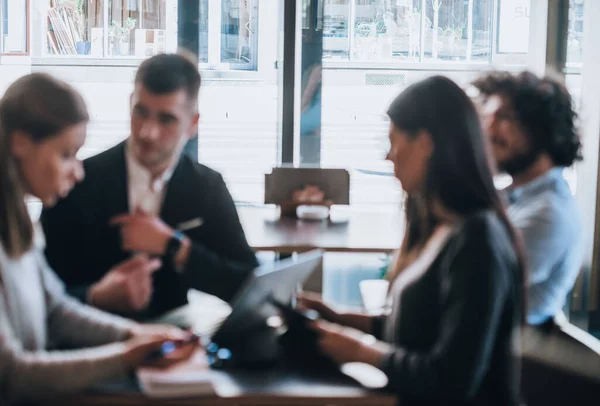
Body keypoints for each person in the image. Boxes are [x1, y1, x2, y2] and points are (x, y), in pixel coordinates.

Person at [300, 76, 526, 406]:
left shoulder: (477, 242)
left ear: (425, 144)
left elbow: (450, 380)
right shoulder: (439, 227)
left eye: (394, 141)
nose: (388, 156)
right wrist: (338, 316)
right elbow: (417, 330)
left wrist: (360, 351)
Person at [0, 73, 196, 405]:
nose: (77, 172)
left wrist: (133, 334)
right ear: (20, 143)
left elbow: (56, 309)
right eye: (66, 155)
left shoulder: (19, 226)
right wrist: (126, 357)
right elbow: (12, 375)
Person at [41, 53, 259, 319]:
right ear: (130, 103)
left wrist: (174, 246)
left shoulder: (206, 186)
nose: (147, 132)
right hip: (84, 332)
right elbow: (37, 293)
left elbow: (248, 284)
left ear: (192, 124)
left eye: (166, 119)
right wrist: (95, 295)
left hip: (173, 338)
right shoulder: (78, 181)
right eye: (140, 112)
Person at [473, 71, 583, 325]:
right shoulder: (514, 198)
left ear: (540, 127)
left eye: (503, 118)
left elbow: (474, 286)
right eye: (487, 118)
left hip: (510, 357)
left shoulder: (549, 213)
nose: (488, 131)